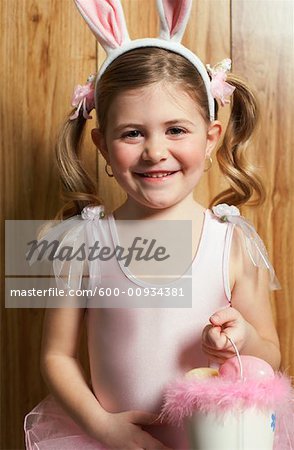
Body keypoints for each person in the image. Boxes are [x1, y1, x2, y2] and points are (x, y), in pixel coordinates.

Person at [24, 0, 286, 449]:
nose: (154, 151)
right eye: (132, 133)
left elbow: (272, 352)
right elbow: (56, 355)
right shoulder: (82, 244)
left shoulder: (231, 241)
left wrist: (243, 339)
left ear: (210, 139)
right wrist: (101, 425)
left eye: (176, 130)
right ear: (102, 146)